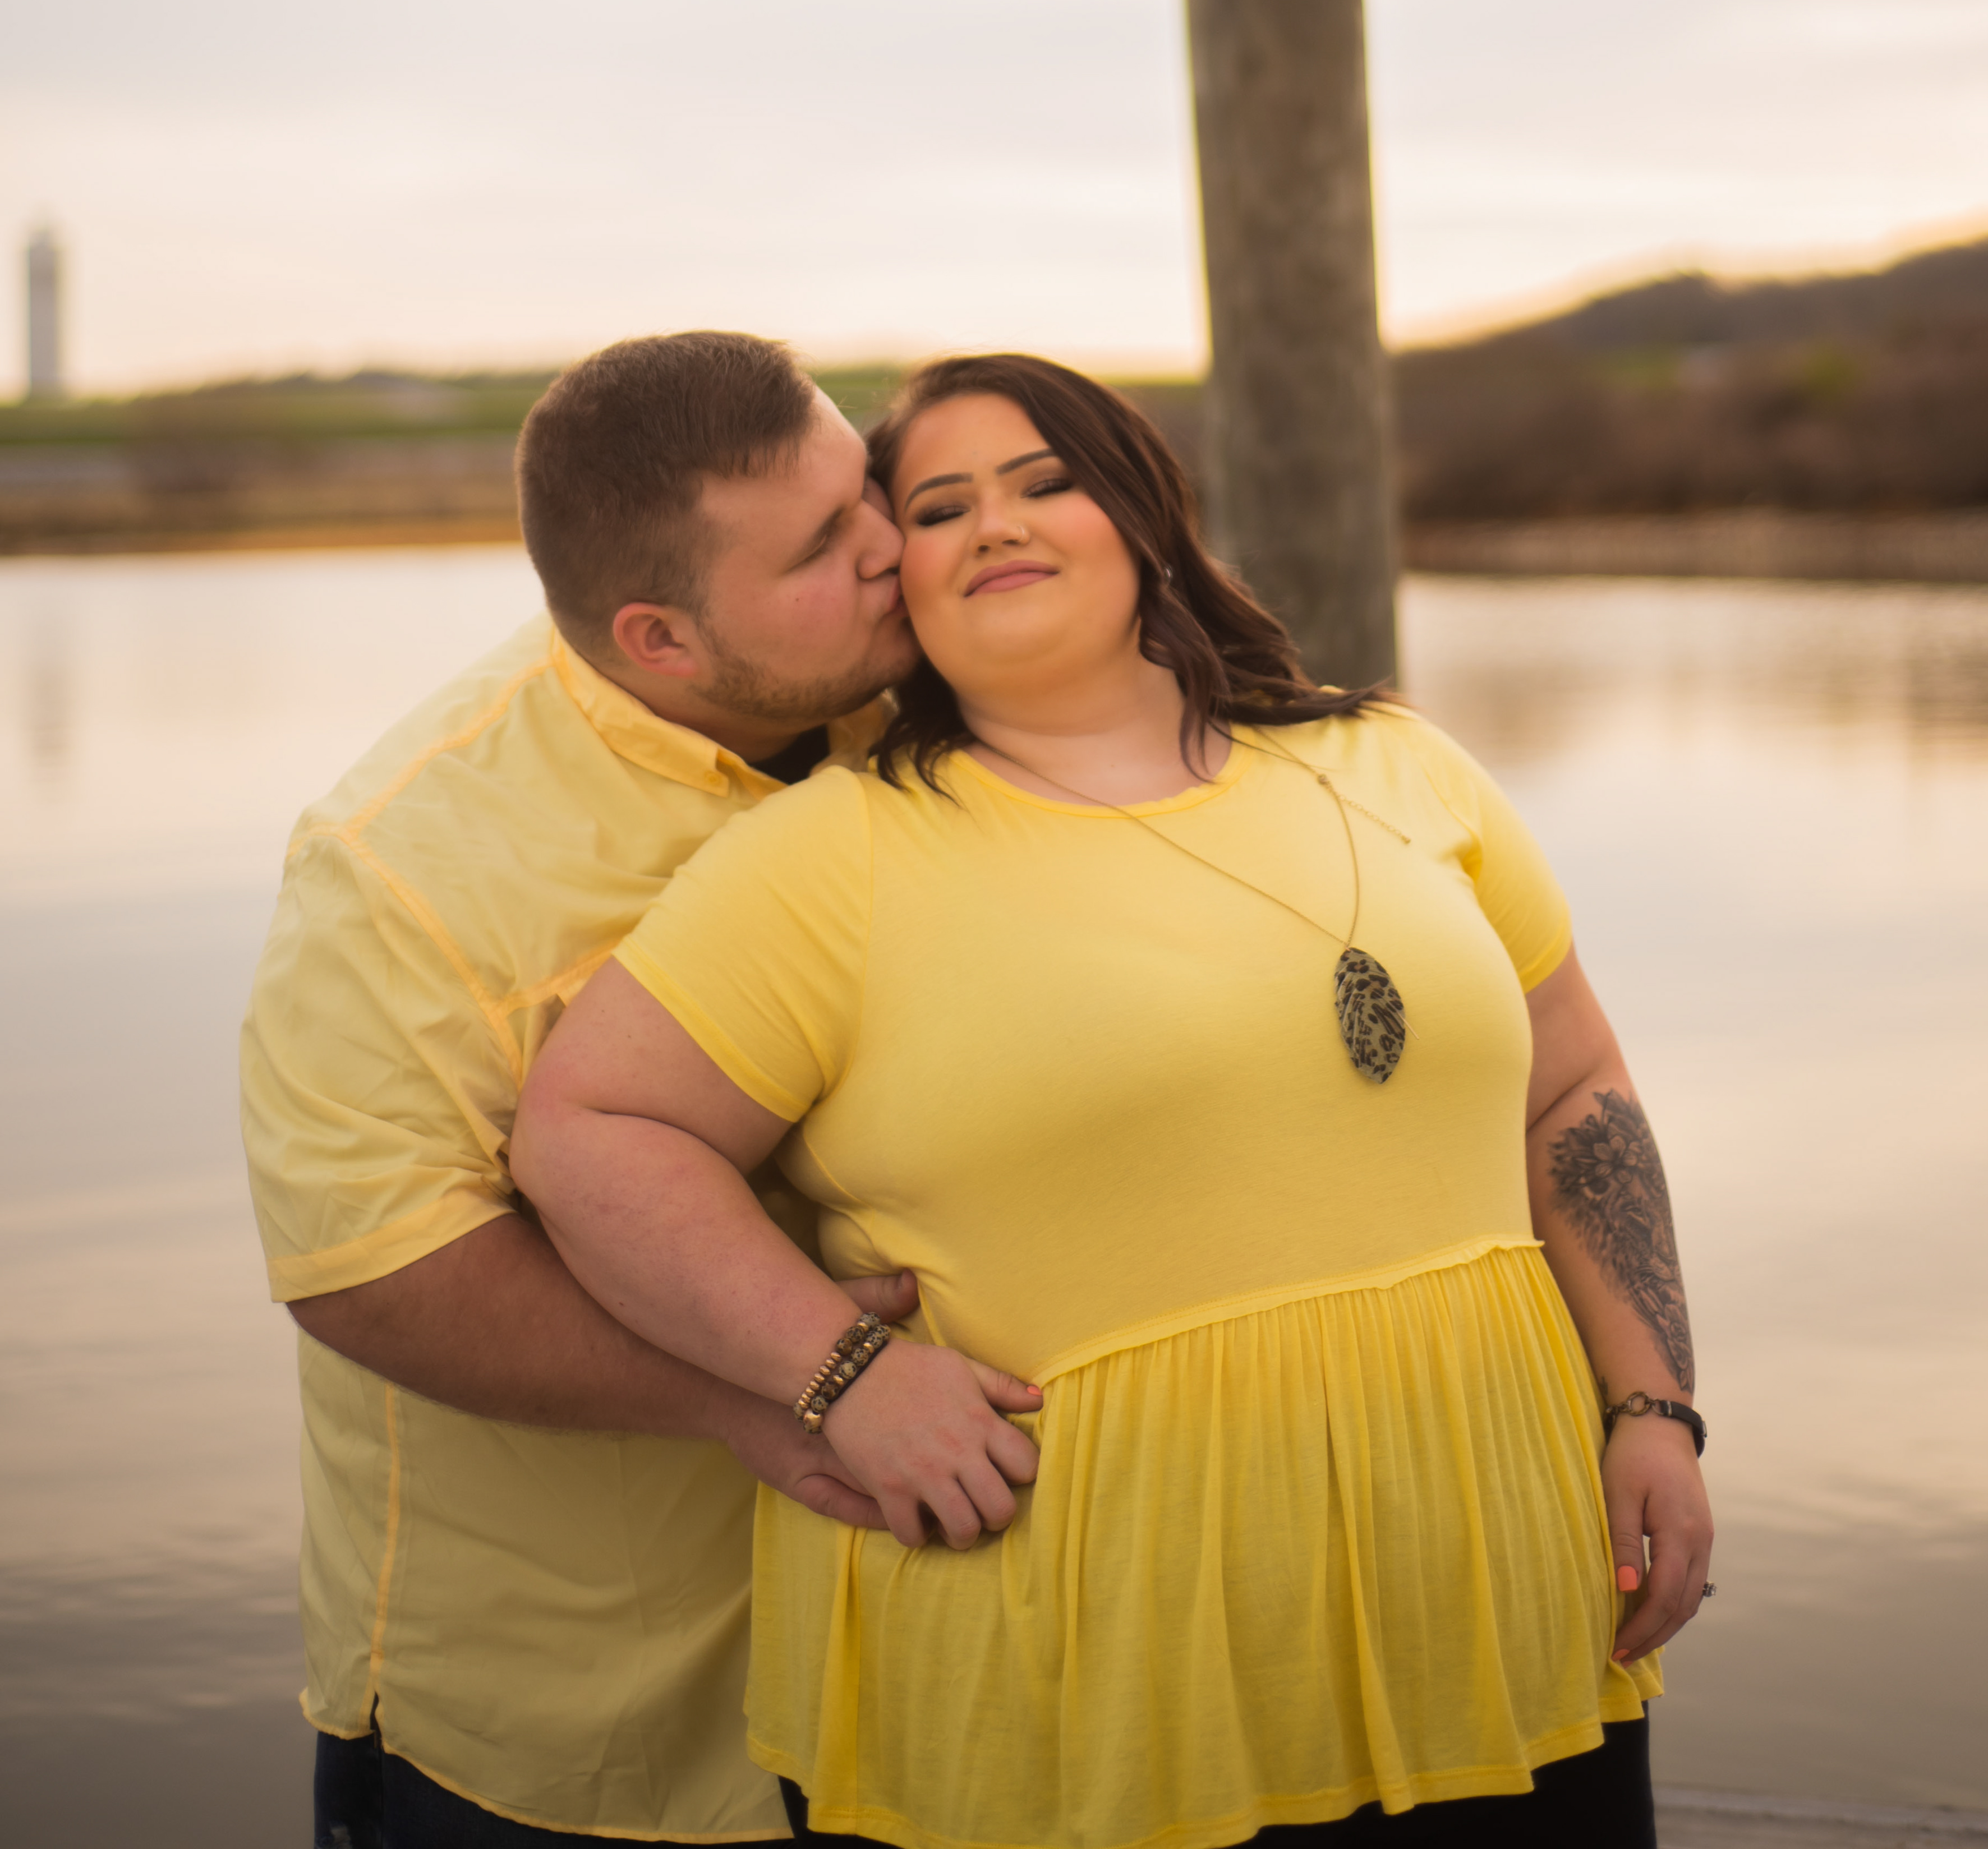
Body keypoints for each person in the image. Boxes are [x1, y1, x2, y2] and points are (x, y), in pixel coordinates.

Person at [513, 352, 1715, 1849]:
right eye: (937, 509)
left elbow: (1575, 1089)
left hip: (1488, 1585)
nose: (995, 525)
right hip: (1080, 1637)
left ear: (1145, 513)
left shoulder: (1396, 765)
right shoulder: (830, 860)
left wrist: (1655, 1407)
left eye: (1045, 481)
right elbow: (591, 1133)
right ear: (901, 580)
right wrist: (838, 1373)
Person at [240, 331, 1009, 1849]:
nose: (885, 547)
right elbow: (373, 1269)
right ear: (661, 640)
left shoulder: (926, 699)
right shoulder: (400, 865)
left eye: (864, 490)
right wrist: (779, 1389)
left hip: (934, 1687)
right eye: (819, 547)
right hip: (572, 1735)